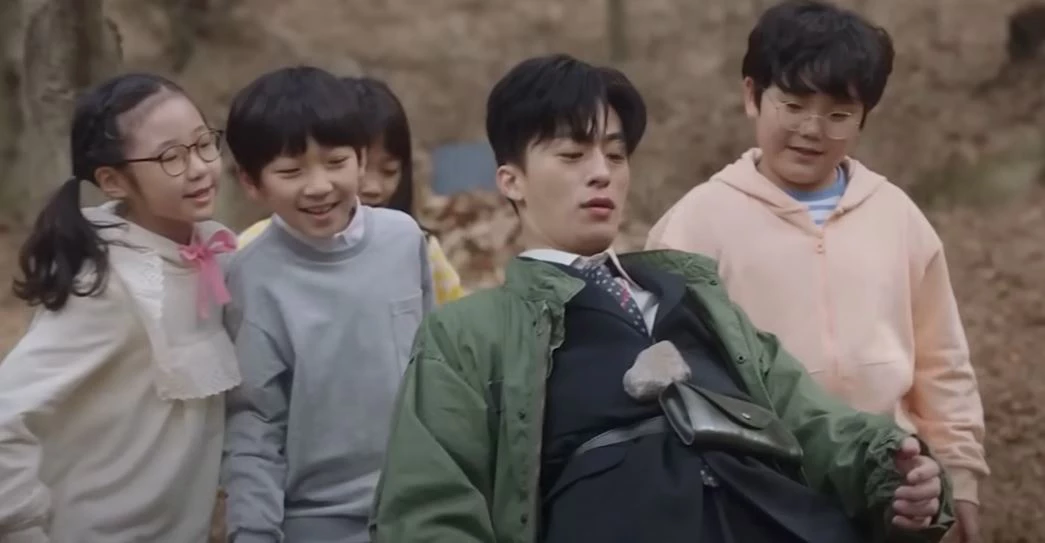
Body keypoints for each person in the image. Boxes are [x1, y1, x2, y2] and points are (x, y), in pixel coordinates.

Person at [368, 53, 954, 543]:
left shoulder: (697, 298)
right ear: (511, 180)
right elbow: (429, 511)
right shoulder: (471, 333)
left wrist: (895, 473)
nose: (601, 173)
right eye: (572, 155)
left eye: (615, 155)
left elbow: (814, 421)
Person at [645, 2, 987, 541]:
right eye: (793, 104)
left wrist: (959, 471)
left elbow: (941, 359)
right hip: (758, 491)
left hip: (890, 484)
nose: (812, 129)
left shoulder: (897, 216)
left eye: (838, 114)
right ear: (752, 95)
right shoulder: (693, 226)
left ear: (863, 117)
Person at [0, 73, 240, 542]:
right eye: (171, 157)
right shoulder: (110, 285)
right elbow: (7, 414)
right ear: (112, 181)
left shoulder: (217, 250)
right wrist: (23, 529)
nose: (198, 168)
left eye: (202, 144)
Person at [220, 65, 434, 543]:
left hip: (420, 507)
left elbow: (435, 369)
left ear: (361, 159)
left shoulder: (403, 240)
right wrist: (253, 531)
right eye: (290, 172)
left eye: (336, 162)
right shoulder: (250, 276)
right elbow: (256, 420)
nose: (318, 186)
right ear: (252, 182)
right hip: (315, 519)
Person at [237, 76, 465, 304]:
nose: (373, 188)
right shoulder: (247, 255)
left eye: (389, 171)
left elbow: (453, 319)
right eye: (293, 170)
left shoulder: (413, 245)